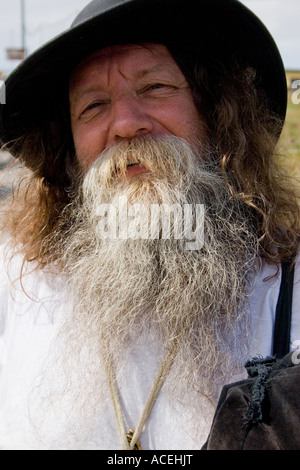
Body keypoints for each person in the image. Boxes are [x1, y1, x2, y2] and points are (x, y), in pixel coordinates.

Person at [0, 0, 299, 451]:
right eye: (94, 106)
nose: (124, 124)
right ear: (68, 149)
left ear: (217, 111)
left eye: (155, 87)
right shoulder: (17, 276)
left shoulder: (287, 286)